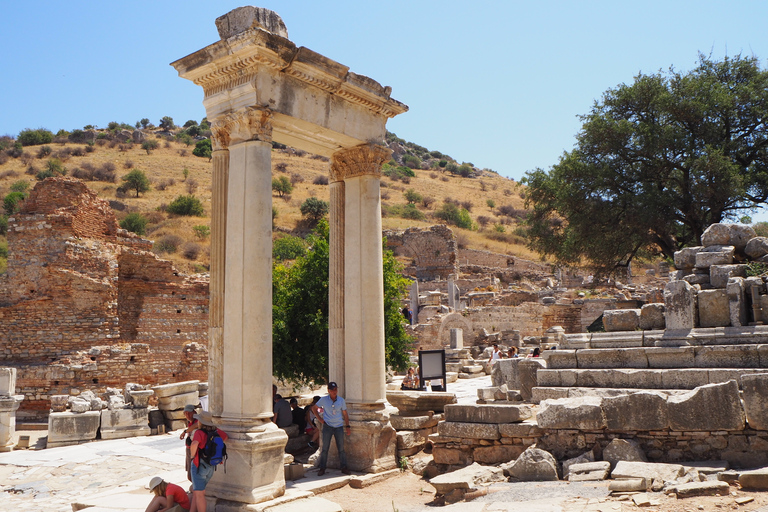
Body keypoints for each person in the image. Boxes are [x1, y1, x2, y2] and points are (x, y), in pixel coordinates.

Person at [189, 411, 228, 512]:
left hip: (199, 466)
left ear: (201, 422)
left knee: (200, 495)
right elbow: (225, 437)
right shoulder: (216, 431)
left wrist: (192, 456)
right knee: (197, 491)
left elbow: (194, 444)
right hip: (211, 466)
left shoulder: (199, 432)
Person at [312, 382, 351, 476]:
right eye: (333, 390)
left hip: (339, 426)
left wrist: (348, 426)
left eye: (336, 389)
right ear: (328, 391)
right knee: (325, 448)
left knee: (341, 449)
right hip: (327, 426)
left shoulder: (341, 400)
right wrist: (320, 419)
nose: (335, 391)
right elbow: (314, 408)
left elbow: (345, 414)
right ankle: (322, 468)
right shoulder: (324, 400)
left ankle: (344, 467)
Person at [179, 404, 199, 482]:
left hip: (194, 450)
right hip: (188, 448)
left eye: (189, 413)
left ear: (194, 412)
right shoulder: (190, 421)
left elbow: (196, 425)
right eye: (185, 413)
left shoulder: (197, 420)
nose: (187, 415)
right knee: (189, 472)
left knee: (192, 473)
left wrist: (185, 431)